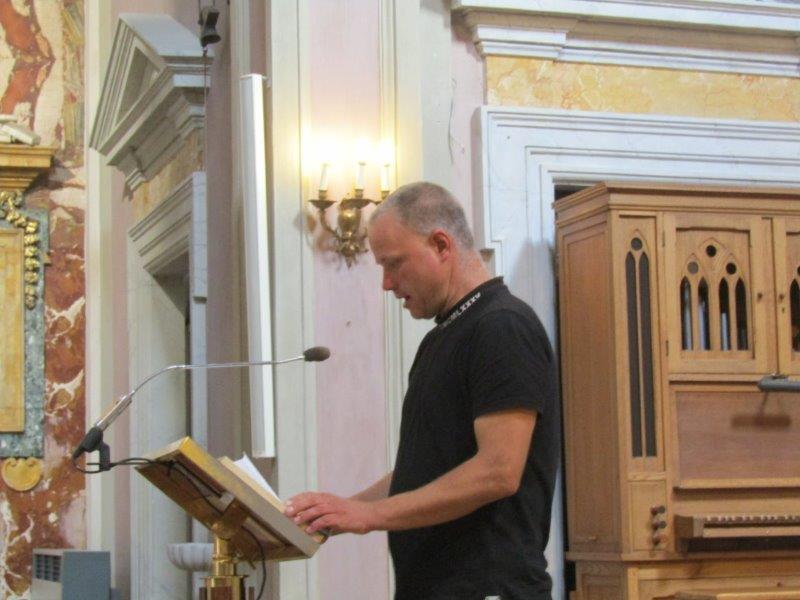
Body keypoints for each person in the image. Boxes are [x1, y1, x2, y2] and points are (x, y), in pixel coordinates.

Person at [285, 182, 559, 599]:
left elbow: (498, 471)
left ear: (441, 245)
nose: (386, 283)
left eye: (394, 264)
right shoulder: (442, 337)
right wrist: (339, 511)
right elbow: (423, 471)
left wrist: (369, 516)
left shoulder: (502, 326)